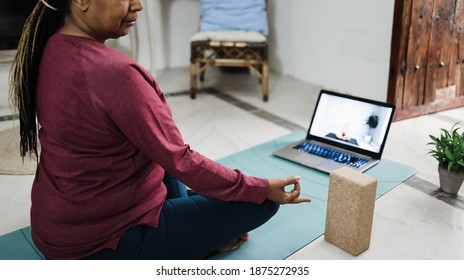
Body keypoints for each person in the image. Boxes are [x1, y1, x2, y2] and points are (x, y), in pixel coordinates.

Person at [9, 0, 311, 260]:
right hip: (101, 244)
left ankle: (194, 230)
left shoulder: (46, 47)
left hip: (54, 227)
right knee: (262, 204)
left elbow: (166, 157)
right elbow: (182, 160)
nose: (138, 5)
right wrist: (260, 188)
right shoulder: (115, 73)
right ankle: (196, 242)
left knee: (162, 160)